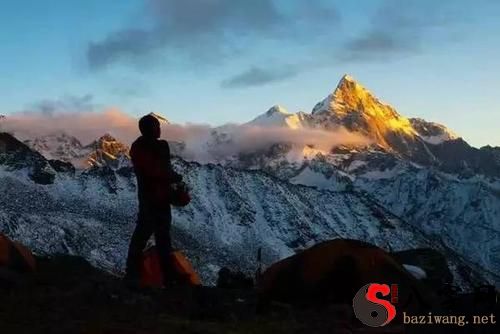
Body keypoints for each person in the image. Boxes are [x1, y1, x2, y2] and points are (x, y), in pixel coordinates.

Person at [125, 114, 182, 287]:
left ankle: (165, 277)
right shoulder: (142, 148)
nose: (160, 129)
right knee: (149, 238)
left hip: (157, 200)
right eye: (156, 126)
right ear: (149, 129)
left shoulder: (144, 147)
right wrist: (172, 178)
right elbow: (155, 171)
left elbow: (161, 170)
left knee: (159, 239)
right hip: (152, 201)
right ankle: (135, 274)